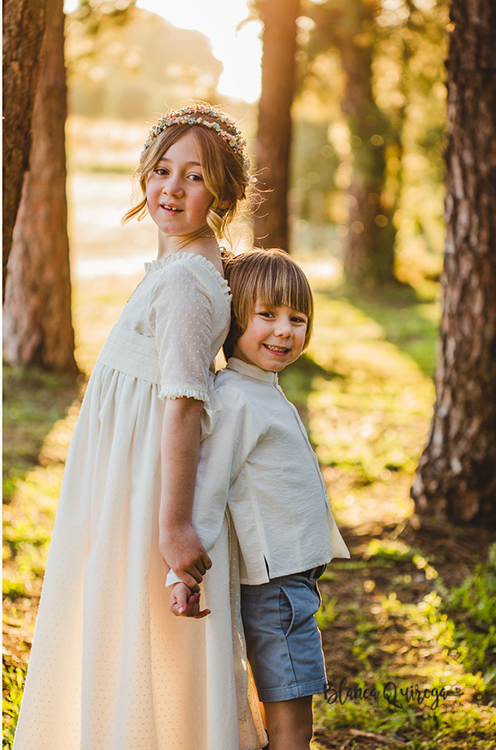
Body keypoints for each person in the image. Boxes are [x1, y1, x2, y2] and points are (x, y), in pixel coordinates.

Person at [12, 103, 267, 750]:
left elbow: (184, 402)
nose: (171, 189)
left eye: (194, 176)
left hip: (147, 484)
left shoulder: (186, 284)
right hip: (125, 473)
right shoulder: (181, 271)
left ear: (225, 192)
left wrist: (174, 523)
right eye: (161, 170)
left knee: (139, 624)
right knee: (126, 622)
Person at [169, 249, 350, 750]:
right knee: (293, 721)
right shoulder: (236, 398)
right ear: (234, 321)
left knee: (292, 711)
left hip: (292, 583)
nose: (284, 331)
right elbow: (209, 487)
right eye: (266, 315)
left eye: (297, 318)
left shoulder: (262, 389)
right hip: (278, 590)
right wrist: (182, 573)